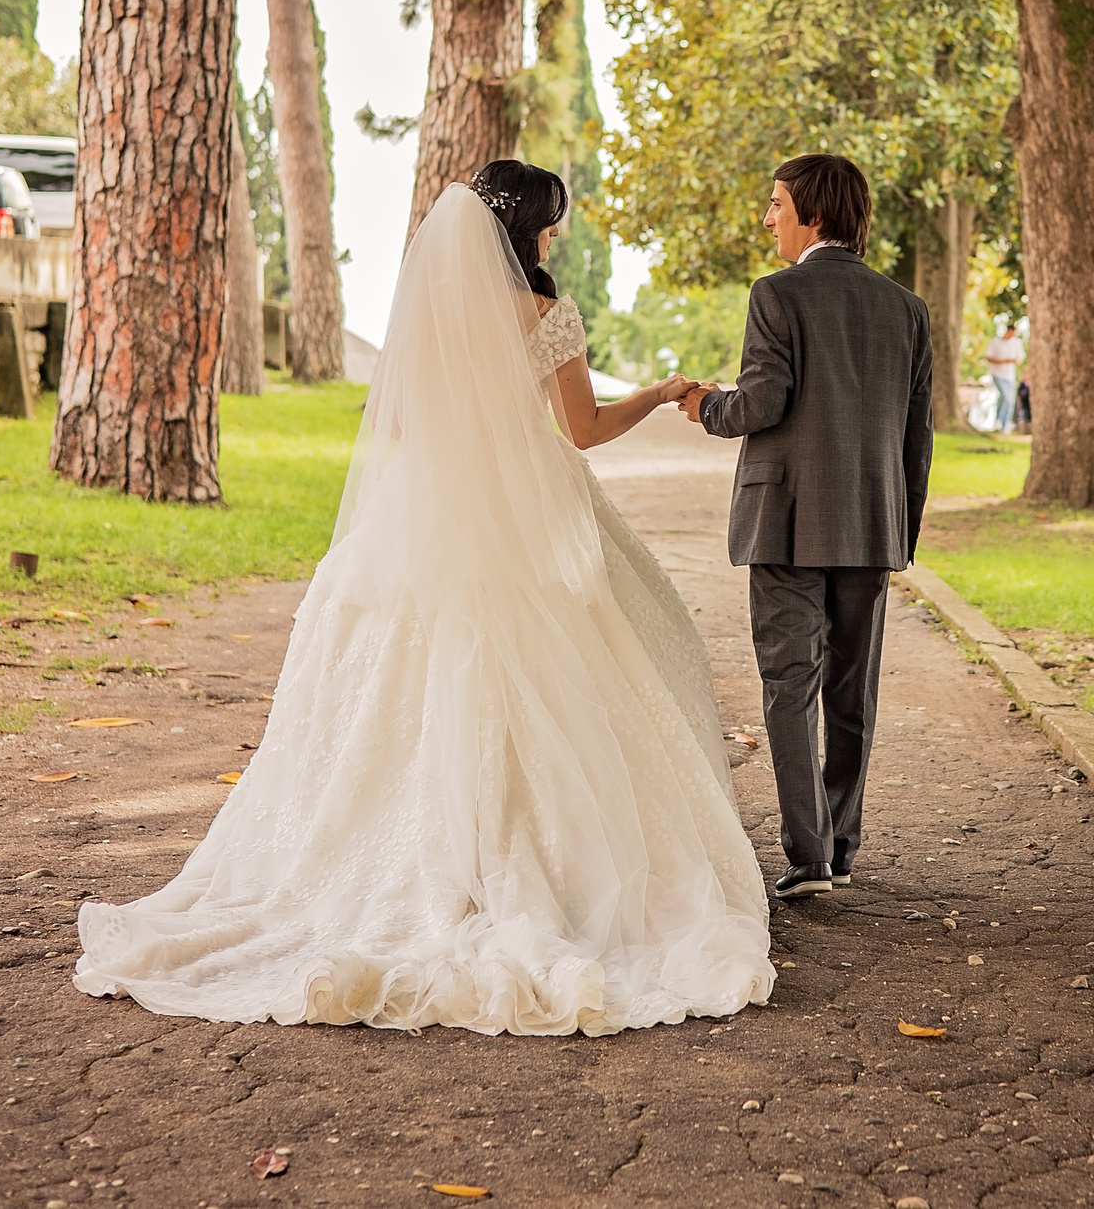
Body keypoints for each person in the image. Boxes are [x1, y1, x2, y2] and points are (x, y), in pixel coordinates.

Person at [70, 162, 775, 1037]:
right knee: (573, 656)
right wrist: (665, 392)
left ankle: (382, 863)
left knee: (396, 679)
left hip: (423, 505)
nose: (557, 236)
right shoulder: (548, 315)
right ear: (526, 232)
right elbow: (584, 431)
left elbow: (400, 424)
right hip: (525, 510)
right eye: (552, 223)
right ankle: (530, 868)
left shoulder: (431, 313)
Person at [680, 156, 934, 900]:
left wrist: (704, 406)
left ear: (811, 212)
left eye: (776, 202)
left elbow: (761, 402)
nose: (768, 217)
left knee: (790, 684)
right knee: (853, 692)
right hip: (872, 523)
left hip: (786, 523)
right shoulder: (907, 308)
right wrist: (899, 529)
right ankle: (842, 843)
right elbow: (917, 437)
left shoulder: (777, 295)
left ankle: (809, 856)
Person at [981, 317, 1025, 435]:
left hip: (1009, 375)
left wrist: (1009, 361)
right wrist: (1003, 361)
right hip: (997, 374)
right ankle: (999, 421)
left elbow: (1019, 359)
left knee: (1010, 400)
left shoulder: (1016, 343)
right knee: (1004, 396)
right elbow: (989, 357)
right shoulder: (996, 342)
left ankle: (1005, 425)